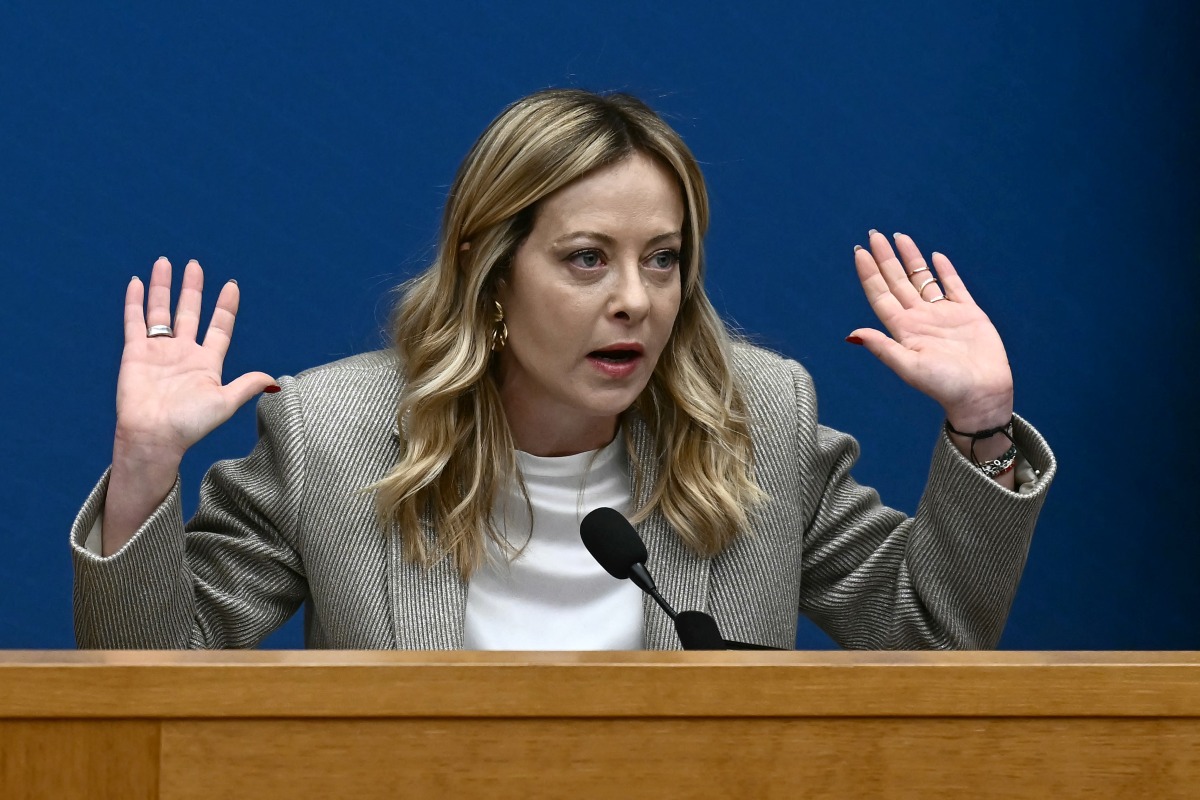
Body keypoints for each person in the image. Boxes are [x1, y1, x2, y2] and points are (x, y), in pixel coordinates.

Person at [71, 89, 1055, 651]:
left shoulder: (762, 417)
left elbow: (933, 641)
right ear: (491, 274)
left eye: (662, 258)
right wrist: (144, 468)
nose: (636, 297)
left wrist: (982, 423)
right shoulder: (329, 434)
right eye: (589, 258)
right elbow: (153, 681)